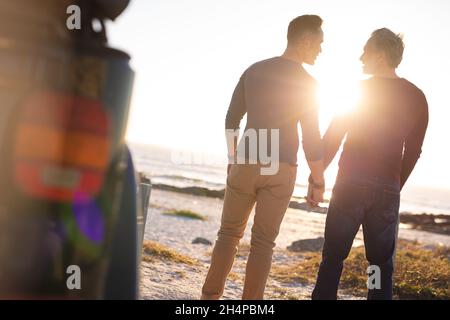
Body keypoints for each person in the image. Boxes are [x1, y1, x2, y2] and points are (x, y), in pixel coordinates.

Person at [201, 15, 326, 300]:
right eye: (319, 43)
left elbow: (232, 118)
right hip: (281, 167)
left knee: (228, 235)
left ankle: (209, 299)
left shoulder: (255, 70)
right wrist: (318, 180)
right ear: (305, 41)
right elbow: (311, 137)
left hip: (247, 158)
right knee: (263, 244)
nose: (320, 49)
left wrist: (234, 158)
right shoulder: (309, 84)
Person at [311, 28, 429, 300]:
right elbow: (413, 151)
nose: (361, 56)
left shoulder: (358, 90)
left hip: (350, 184)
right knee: (378, 266)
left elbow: (333, 138)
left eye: (366, 50)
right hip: (387, 189)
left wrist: (316, 178)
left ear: (379, 55)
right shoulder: (416, 96)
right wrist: (395, 184)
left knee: (333, 258)